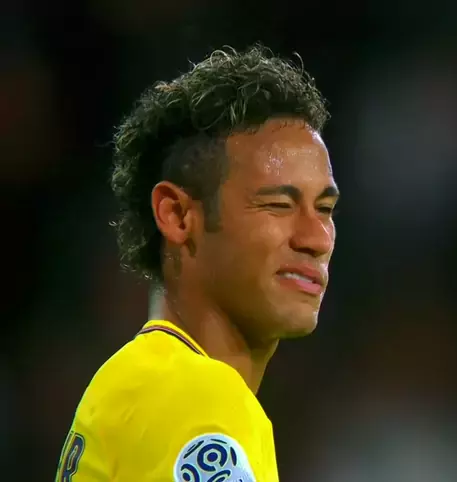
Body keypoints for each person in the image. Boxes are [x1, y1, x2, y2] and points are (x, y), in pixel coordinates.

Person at [55, 44, 339, 482]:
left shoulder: (133, 385)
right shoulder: (197, 398)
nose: (316, 239)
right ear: (177, 215)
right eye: (279, 205)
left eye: (325, 209)